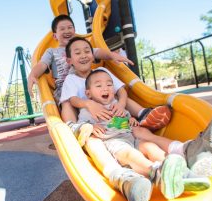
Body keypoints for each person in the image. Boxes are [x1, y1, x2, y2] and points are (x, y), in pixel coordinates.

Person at [62, 37, 212, 201]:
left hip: (130, 136)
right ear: (88, 93)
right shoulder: (88, 108)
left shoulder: (114, 102)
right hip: (114, 143)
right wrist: (90, 126)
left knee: (150, 146)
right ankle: (156, 172)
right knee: (130, 154)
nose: (105, 88)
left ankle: (183, 170)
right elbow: (81, 120)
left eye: (108, 85)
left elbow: (123, 112)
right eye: (99, 86)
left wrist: (130, 119)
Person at [28, 14, 172, 129]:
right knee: (66, 102)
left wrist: (114, 56)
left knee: (112, 92)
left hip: (89, 82)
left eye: (70, 27)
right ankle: (73, 129)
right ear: (55, 36)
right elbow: (42, 64)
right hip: (68, 89)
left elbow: (99, 52)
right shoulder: (52, 52)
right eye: (62, 29)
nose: (67, 31)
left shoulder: (83, 47)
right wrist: (32, 75)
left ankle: (143, 114)